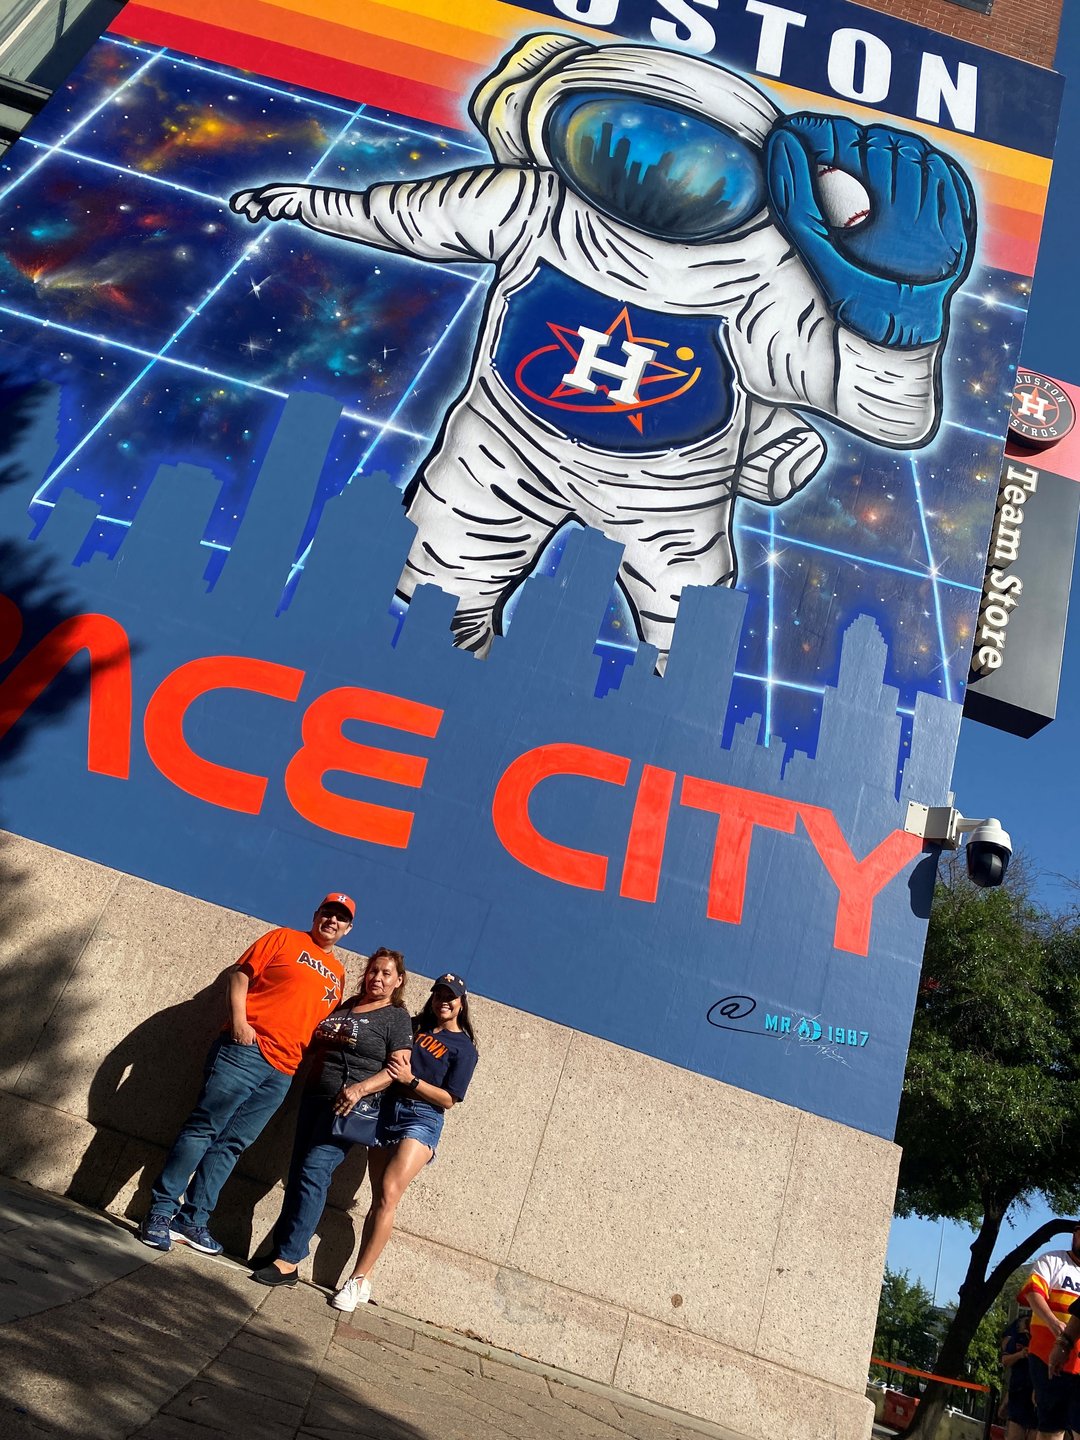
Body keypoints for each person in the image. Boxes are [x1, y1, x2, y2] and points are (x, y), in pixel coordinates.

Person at [138, 894, 354, 1255]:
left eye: (340, 918)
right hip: (246, 1051)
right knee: (204, 1128)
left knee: (232, 1144)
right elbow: (241, 975)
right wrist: (239, 1023)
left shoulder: (340, 973)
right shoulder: (284, 937)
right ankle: (160, 1212)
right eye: (328, 913)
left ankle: (193, 1220)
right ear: (316, 915)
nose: (332, 921)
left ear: (348, 929)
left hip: (284, 1070)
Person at [251, 947, 413, 1286]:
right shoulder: (347, 1006)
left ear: (398, 981)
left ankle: (289, 1261)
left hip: (348, 1110)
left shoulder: (396, 1017)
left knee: (314, 1173)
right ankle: (282, 1249)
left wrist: (359, 1089)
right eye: (373, 970)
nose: (378, 977)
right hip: (314, 1098)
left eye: (386, 973)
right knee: (298, 1174)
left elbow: (397, 1070)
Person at [330, 971, 479, 1312]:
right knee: (379, 1199)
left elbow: (449, 1099)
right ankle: (365, 1279)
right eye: (439, 994)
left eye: (450, 996)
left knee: (389, 1193)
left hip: (421, 1119)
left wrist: (411, 1081)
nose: (444, 1001)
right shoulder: (413, 1026)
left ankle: (354, 1280)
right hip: (386, 1110)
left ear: (461, 1003)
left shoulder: (464, 1049)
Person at [1018, 1226, 1080, 1440]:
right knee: (1053, 1425)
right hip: (1047, 1357)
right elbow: (1033, 1294)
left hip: (1079, 1362)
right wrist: (1054, 1325)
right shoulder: (1052, 1261)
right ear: (1074, 1234)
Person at [1001, 1308, 1037, 1440]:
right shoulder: (1018, 1337)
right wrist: (1021, 1354)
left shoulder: (1047, 1338)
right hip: (1019, 1391)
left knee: (1036, 1434)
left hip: (1038, 1393)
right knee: (1015, 1434)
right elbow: (1005, 1360)